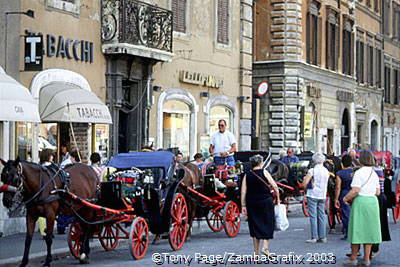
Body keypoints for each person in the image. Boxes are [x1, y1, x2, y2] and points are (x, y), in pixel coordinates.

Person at [343, 150, 381, 266]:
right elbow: (378, 192)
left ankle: (353, 258)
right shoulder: (374, 173)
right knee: (369, 231)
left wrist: (345, 198)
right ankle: (366, 258)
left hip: (361, 201)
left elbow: (355, 190)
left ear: (361, 160)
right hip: (372, 202)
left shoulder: (359, 173)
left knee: (357, 230)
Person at [241, 154, 280, 255]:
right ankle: (265, 247)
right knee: (268, 223)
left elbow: (243, 191)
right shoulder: (264, 172)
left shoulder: (247, 175)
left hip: (252, 202)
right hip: (265, 201)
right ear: (261, 163)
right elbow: (275, 186)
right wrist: (278, 200)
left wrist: (243, 205)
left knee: (254, 226)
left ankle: (256, 253)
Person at [302, 152, 330, 243]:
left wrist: (309, 186)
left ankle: (314, 236)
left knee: (313, 216)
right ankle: (323, 236)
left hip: (313, 194)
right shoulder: (326, 171)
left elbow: (304, 184)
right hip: (322, 194)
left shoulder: (312, 170)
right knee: (321, 215)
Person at [370, 162, 391, 258]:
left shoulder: (370, 171)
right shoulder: (379, 170)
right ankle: (374, 247)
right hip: (381, 197)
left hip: (373, 197)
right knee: (379, 222)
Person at [334, 155, 353, 240]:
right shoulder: (354, 172)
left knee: (346, 214)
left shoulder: (339, 173)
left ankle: (348, 233)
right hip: (354, 192)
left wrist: (336, 199)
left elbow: (338, 187)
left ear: (342, 164)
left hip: (344, 193)